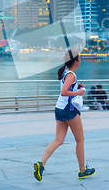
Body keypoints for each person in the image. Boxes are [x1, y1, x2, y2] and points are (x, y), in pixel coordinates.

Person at [34, 50, 95, 181]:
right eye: (80, 59)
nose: (81, 61)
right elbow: (64, 92)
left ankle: (41, 164)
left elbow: (67, 88)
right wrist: (79, 92)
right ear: (75, 62)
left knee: (58, 140)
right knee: (80, 140)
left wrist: (77, 87)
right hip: (69, 111)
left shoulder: (66, 73)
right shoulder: (71, 75)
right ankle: (82, 170)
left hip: (60, 108)